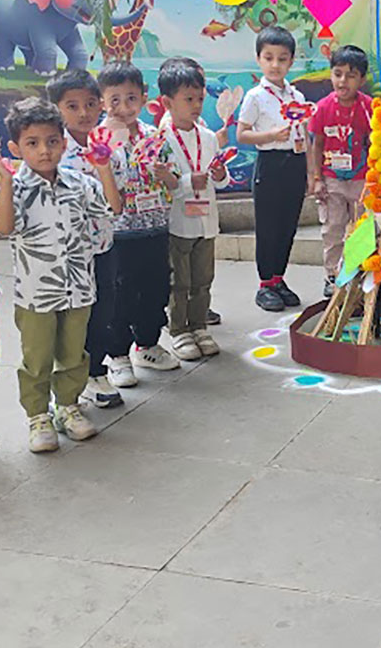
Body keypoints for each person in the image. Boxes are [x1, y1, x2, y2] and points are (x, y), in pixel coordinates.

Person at [0, 97, 121, 452]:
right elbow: (4, 227)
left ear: (64, 143)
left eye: (51, 141)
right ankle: (38, 416)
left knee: (74, 354)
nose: (44, 151)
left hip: (78, 288)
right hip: (36, 294)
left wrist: (103, 168)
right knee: (37, 359)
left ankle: (68, 407)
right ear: (16, 149)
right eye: (32, 143)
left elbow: (112, 208)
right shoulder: (16, 188)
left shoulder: (79, 183)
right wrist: (5, 183)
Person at [99, 61, 180, 385]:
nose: (123, 107)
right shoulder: (100, 139)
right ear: (102, 101)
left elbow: (175, 180)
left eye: (131, 98)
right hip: (119, 234)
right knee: (120, 294)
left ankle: (147, 344)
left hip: (156, 228)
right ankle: (117, 355)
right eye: (114, 100)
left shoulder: (154, 135)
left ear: (144, 98)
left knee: (156, 288)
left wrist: (166, 174)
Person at [49, 68, 122, 410]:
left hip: (102, 247)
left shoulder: (108, 148)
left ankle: (95, 371)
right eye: (72, 106)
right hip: (64, 254)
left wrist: (105, 167)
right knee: (67, 318)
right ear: (56, 109)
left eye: (91, 104)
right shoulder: (52, 152)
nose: (84, 113)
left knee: (102, 311)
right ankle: (64, 383)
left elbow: (116, 202)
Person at [157, 57, 227, 360]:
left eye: (200, 98)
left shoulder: (208, 138)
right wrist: (188, 181)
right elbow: (163, 186)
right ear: (167, 102)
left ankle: (199, 326)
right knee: (179, 281)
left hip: (206, 221)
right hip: (179, 222)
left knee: (203, 279)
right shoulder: (161, 140)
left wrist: (220, 176)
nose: (197, 105)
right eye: (189, 99)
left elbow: (219, 180)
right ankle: (179, 330)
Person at [237, 26, 309, 312]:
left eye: (282, 58)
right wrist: (270, 136)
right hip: (270, 164)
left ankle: (279, 279)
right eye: (268, 58)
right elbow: (242, 134)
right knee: (268, 228)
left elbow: (305, 133)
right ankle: (265, 284)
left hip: (295, 163)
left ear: (291, 61)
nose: (275, 65)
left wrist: (311, 173)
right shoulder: (255, 96)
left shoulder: (298, 97)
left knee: (288, 226)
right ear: (258, 59)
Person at [308, 45, 372, 298]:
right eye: (338, 74)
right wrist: (317, 179)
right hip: (331, 180)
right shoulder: (322, 108)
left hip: (361, 181)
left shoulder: (369, 107)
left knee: (363, 231)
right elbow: (317, 145)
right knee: (333, 229)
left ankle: (361, 274)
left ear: (362, 80)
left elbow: (375, 144)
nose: (343, 81)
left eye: (351, 75)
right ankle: (333, 276)